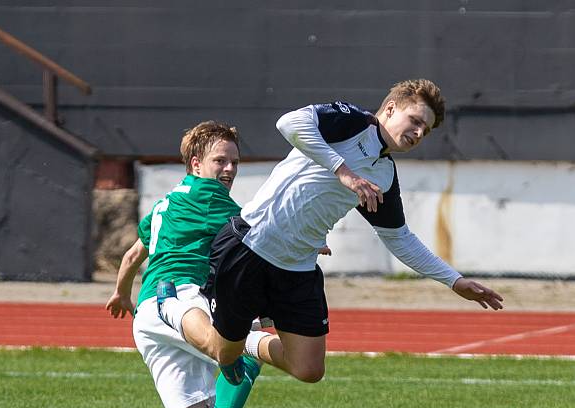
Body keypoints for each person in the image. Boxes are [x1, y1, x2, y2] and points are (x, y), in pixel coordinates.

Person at [161, 79, 504, 385]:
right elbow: (289, 122)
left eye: (425, 130)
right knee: (221, 352)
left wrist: (454, 281)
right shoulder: (352, 121)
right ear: (390, 109)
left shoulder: (384, 175)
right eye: (415, 121)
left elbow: (399, 238)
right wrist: (344, 172)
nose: (417, 133)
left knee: (309, 369)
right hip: (249, 246)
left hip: (296, 267)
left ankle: (246, 343)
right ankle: (172, 307)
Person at [80, 121, 272, 408]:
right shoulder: (216, 202)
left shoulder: (164, 205)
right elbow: (256, 237)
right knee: (246, 346)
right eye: (220, 161)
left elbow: (132, 256)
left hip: (147, 319)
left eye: (234, 163)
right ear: (196, 164)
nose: (229, 169)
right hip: (180, 302)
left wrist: (122, 294)